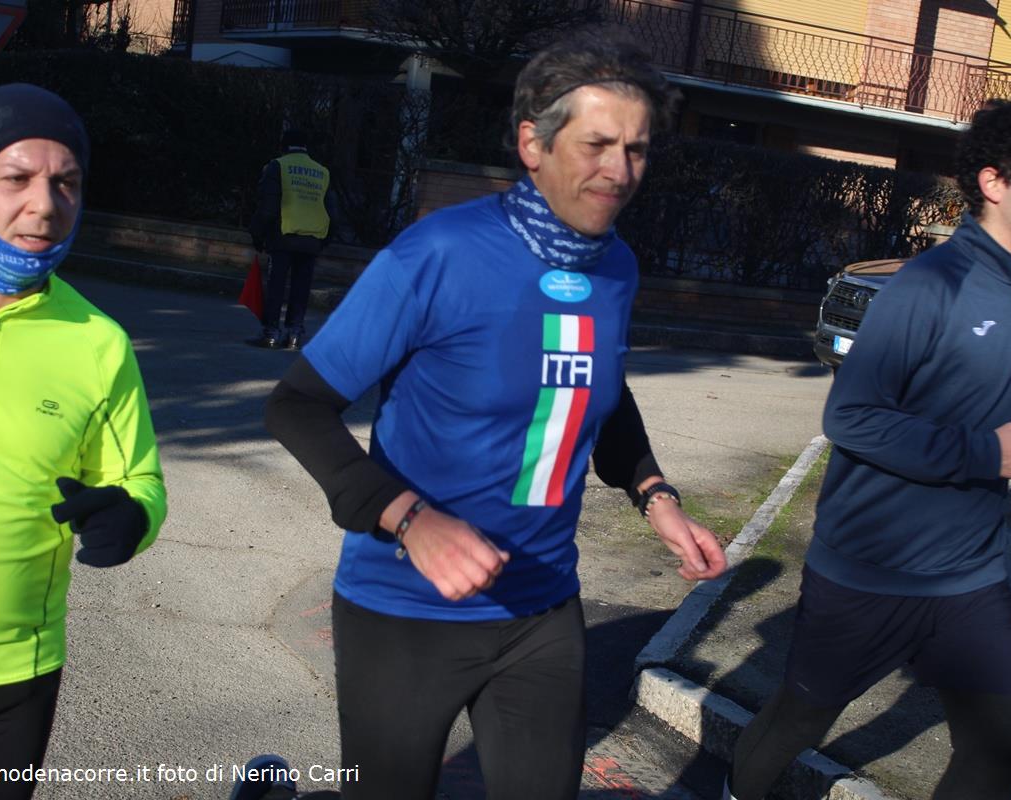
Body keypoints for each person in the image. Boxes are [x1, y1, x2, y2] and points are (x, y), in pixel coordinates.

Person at [265, 30, 727, 800]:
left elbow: (595, 387)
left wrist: (655, 494)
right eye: (597, 145)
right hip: (404, 612)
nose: (620, 171)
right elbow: (297, 406)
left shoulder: (617, 265)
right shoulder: (437, 254)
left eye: (637, 150)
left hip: (541, 611)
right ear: (532, 144)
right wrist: (412, 519)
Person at [726, 98, 1011, 800]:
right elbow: (851, 417)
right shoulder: (931, 285)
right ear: (993, 182)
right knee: (799, 719)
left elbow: (959, 404)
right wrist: (984, 453)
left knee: (997, 757)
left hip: (967, 576)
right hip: (868, 571)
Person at [0, 84, 167, 799]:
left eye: (66, 183)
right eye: (16, 178)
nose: (45, 204)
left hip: (14, 681)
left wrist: (131, 516)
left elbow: (140, 480)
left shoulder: (99, 342)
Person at [247, 129, 334, 350]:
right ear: (306, 147)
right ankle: (294, 333)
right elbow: (331, 209)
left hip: (283, 235)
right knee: (301, 287)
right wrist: (324, 240)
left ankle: (271, 333)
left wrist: (257, 234)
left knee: (276, 285)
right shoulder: (322, 171)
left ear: (283, 146)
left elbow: (267, 208)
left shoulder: (278, 166)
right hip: (312, 238)